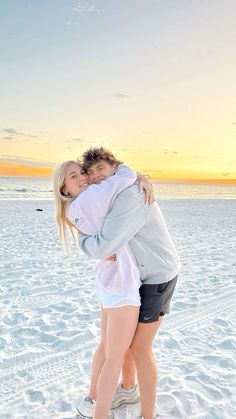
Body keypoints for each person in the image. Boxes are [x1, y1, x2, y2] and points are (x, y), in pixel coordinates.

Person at [78, 147, 181, 419]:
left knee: (139, 349)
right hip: (137, 275)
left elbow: (104, 245)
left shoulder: (129, 195)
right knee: (123, 344)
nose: (96, 176)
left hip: (157, 276)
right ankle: (127, 390)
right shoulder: (120, 187)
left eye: (101, 168)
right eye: (90, 172)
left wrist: (83, 243)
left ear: (115, 167)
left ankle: (148, 415)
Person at [53, 156, 154, 419]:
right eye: (74, 177)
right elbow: (121, 180)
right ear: (65, 190)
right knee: (114, 357)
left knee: (106, 346)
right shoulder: (91, 197)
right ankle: (99, 413)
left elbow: (94, 239)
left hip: (107, 283)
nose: (84, 177)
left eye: (82, 172)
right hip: (122, 283)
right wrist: (136, 173)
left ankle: (96, 398)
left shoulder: (74, 209)